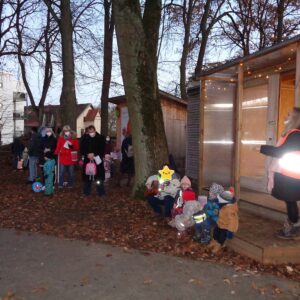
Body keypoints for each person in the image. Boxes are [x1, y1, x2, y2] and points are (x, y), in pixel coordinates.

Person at [260, 107, 300, 239]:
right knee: (290, 200)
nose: (285, 117)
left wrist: (261, 148)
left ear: (294, 118)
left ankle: (294, 227)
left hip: (293, 176)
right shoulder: (293, 134)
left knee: (290, 200)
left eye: (288, 115)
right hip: (292, 175)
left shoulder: (296, 135)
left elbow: (280, 152)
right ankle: (294, 225)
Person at [208, 189, 239, 254]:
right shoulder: (223, 205)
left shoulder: (230, 210)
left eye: (220, 200)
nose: (218, 201)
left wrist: (230, 231)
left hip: (227, 226)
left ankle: (219, 244)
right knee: (215, 231)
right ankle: (214, 241)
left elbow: (233, 222)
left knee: (222, 235)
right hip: (221, 223)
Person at [80, 125, 106, 196]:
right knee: (87, 176)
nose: (91, 133)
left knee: (99, 177)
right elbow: (82, 149)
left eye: (92, 131)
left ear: (95, 130)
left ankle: (101, 192)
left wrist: (94, 154)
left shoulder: (100, 138)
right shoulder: (85, 138)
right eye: (89, 132)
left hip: (97, 160)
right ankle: (86, 192)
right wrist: (87, 154)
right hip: (87, 160)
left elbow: (102, 149)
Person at [54, 125, 79, 189]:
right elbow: (58, 147)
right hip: (63, 157)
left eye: (67, 130)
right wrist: (56, 152)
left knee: (71, 173)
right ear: (63, 131)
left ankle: (70, 185)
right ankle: (60, 184)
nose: (66, 132)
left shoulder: (74, 138)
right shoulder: (61, 138)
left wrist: (72, 147)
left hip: (71, 158)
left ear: (70, 131)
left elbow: (77, 148)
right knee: (61, 172)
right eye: (65, 130)